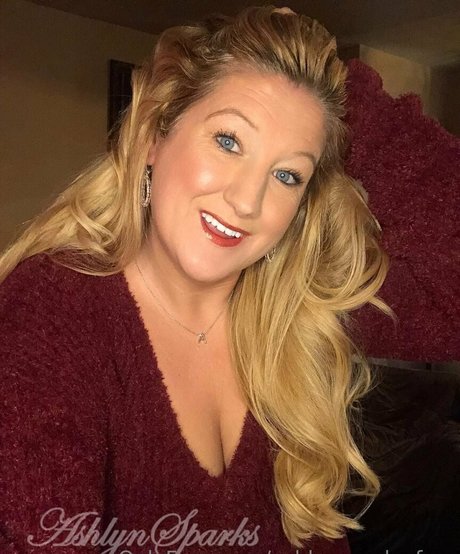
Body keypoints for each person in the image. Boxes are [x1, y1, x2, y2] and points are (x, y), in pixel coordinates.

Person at [0, 6, 393, 553]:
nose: (247, 200)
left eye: (287, 174)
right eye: (228, 141)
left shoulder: (291, 339)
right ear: (155, 134)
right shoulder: (51, 311)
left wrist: (344, 96)